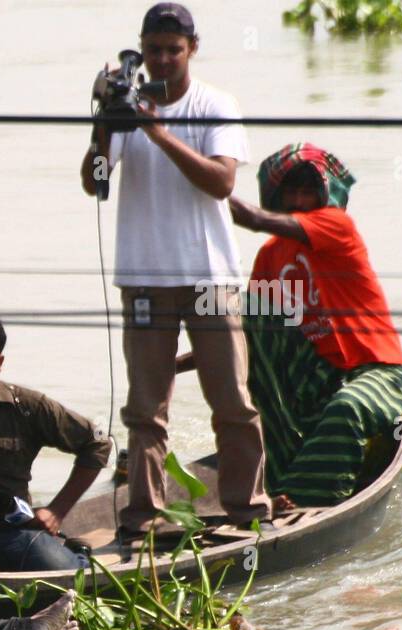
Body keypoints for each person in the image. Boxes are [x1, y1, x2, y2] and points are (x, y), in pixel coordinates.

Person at [79, 2, 271, 537]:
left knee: (231, 399)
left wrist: (158, 132)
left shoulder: (215, 104)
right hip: (143, 278)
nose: (162, 60)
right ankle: (144, 518)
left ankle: (246, 511)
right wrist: (104, 124)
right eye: (153, 50)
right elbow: (95, 181)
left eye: (173, 50)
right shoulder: (127, 106)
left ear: (192, 50)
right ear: (141, 50)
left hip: (210, 276)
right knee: (145, 409)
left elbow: (221, 183)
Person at [229, 144, 402, 510]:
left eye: (308, 192)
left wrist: (205, 187)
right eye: (291, 192)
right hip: (319, 379)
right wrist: (180, 363)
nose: (300, 200)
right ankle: (277, 480)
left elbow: (253, 219)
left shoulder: (336, 226)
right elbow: (244, 331)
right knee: (248, 314)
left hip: (377, 372)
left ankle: (303, 498)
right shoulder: (270, 255)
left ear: (325, 195)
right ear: (279, 196)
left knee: (346, 408)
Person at [0, 312, 111, 571]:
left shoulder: (27, 407)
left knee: (65, 573)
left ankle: (77, 554)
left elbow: (98, 441)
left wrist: (57, 511)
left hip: (16, 530)